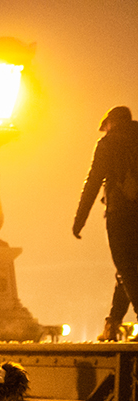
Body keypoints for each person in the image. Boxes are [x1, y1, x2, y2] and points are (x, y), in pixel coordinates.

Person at [74, 105, 138, 342]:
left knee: (126, 265)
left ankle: (117, 322)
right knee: (129, 268)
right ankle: (113, 322)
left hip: (120, 214)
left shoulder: (109, 144)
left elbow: (93, 182)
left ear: (110, 123)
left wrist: (79, 220)